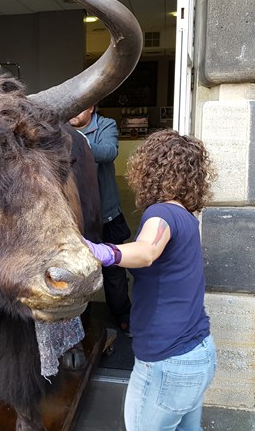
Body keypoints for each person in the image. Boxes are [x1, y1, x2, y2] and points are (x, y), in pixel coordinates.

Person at [84, 129, 217, 430]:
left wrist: (100, 251)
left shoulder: (160, 214)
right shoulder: (185, 215)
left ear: (148, 169)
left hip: (167, 364)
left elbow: (146, 252)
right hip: (198, 355)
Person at [69, 106, 133, 336]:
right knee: (75, 272)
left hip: (106, 213)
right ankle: (76, 323)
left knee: (114, 271)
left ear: (91, 108)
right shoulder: (62, 129)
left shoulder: (105, 125)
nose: (73, 113)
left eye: (79, 108)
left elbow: (108, 152)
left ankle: (124, 316)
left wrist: (73, 142)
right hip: (75, 216)